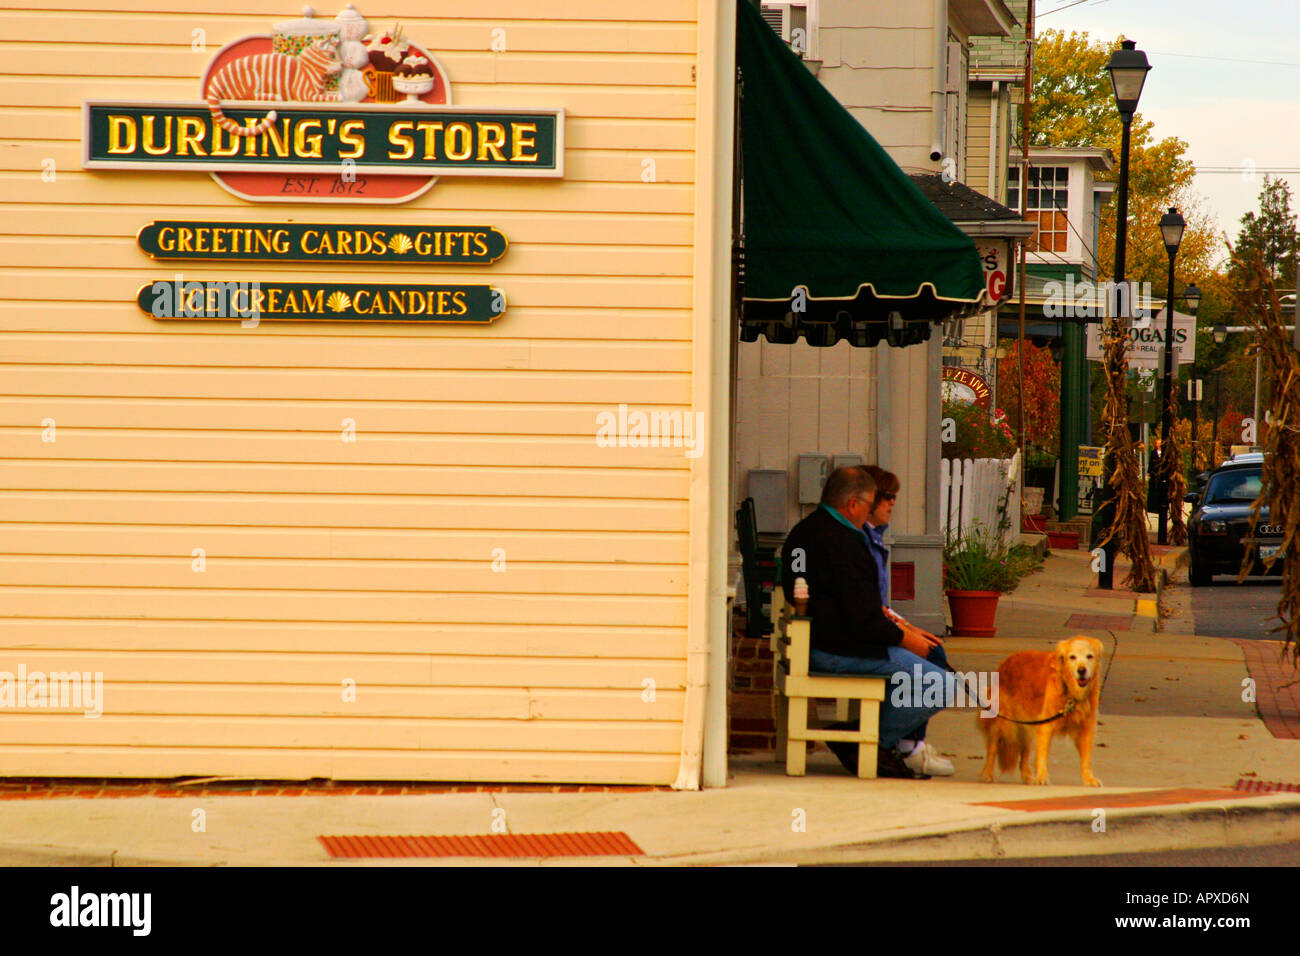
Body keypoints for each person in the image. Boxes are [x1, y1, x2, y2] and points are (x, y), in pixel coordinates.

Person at [780, 466, 953, 778]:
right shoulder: (847, 544)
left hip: (814, 639)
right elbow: (864, 621)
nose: (870, 512)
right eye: (869, 504)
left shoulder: (802, 533)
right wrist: (909, 640)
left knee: (924, 663)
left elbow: (826, 600)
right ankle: (872, 743)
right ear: (853, 504)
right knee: (940, 684)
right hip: (838, 648)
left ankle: (881, 741)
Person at [858, 465, 954, 775]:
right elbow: (868, 608)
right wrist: (904, 634)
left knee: (934, 649)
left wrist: (909, 627)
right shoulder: (860, 542)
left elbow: (880, 604)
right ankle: (900, 744)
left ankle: (909, 742)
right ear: (868, 500)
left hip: (878, 625)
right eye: (887, 497)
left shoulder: (875, 539)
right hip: (865, 636)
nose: (892, 503)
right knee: (930, 664)